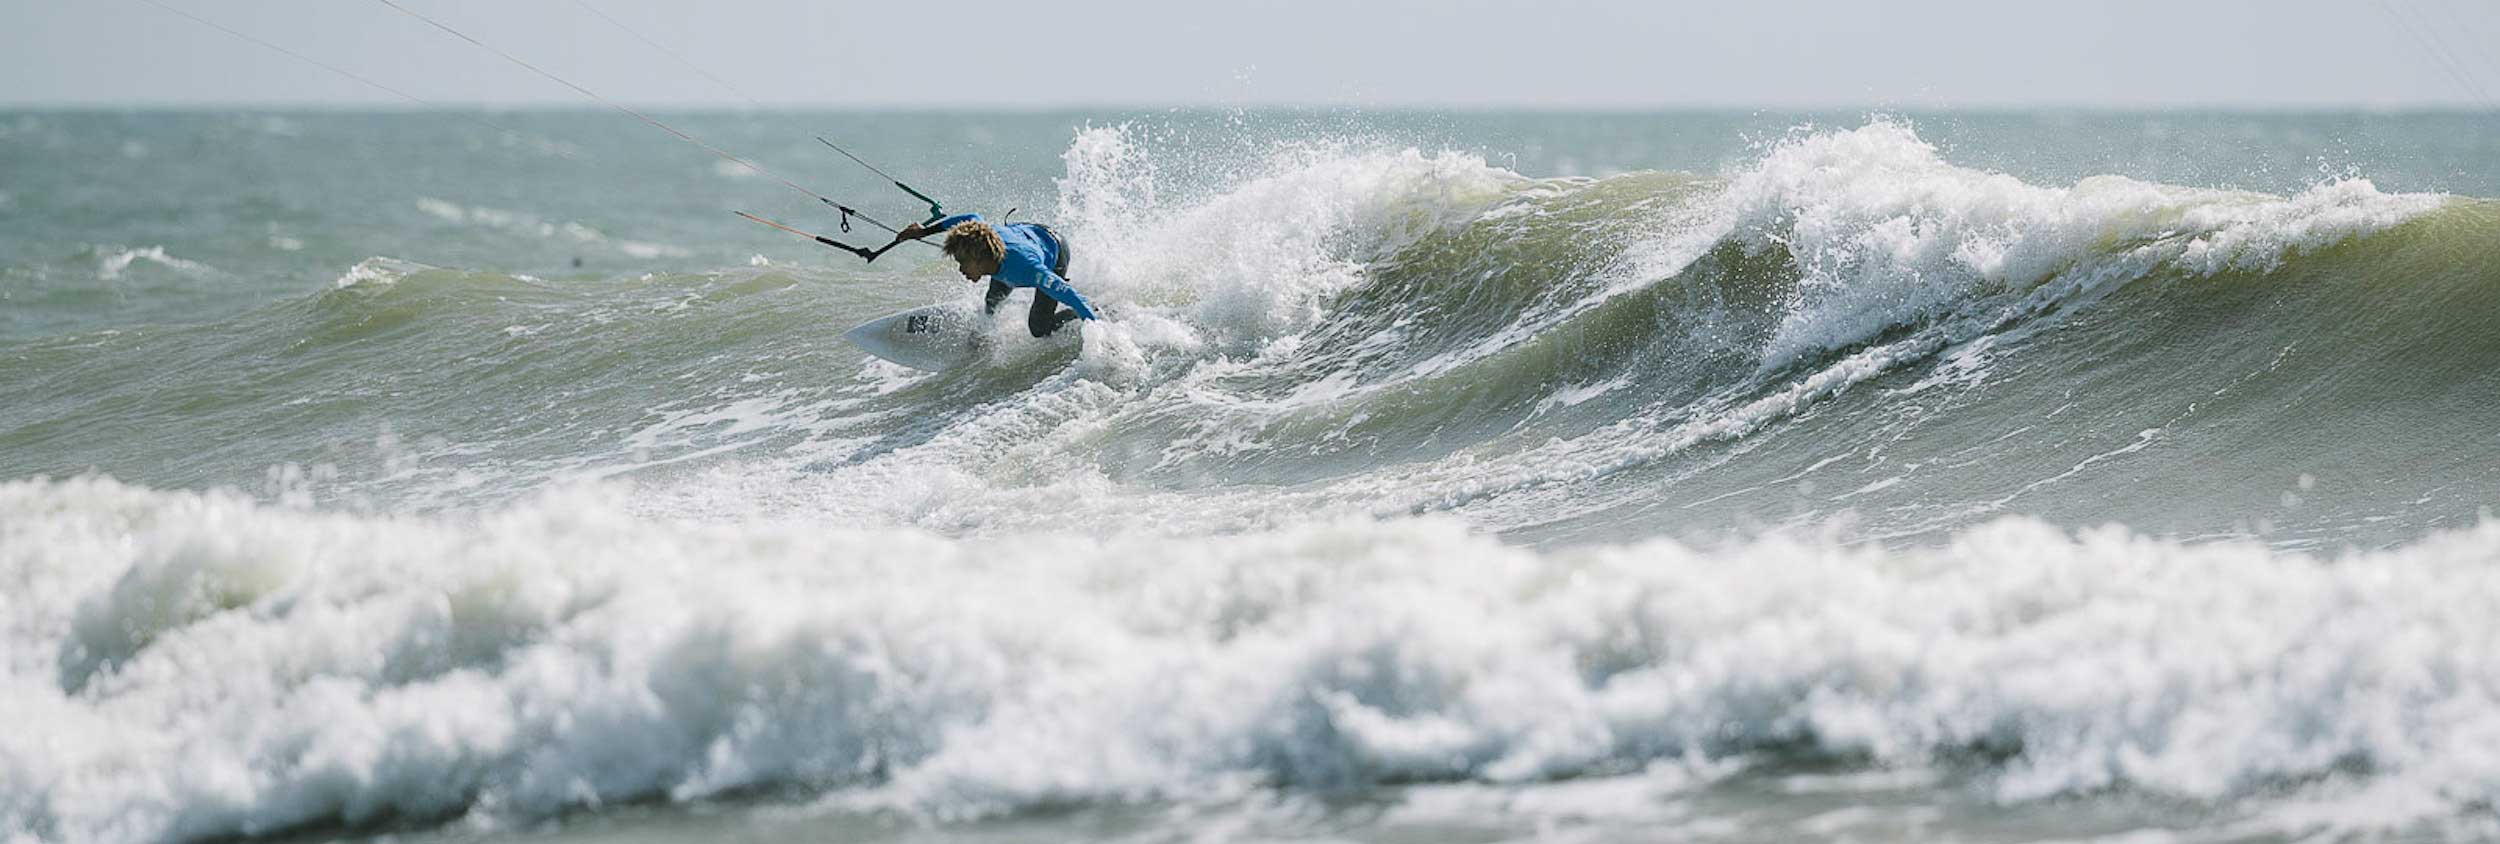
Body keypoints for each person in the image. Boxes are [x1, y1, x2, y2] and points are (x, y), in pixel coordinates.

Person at [891, 213, 1097, 338]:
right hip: (1026, 233)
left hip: (1055, 248)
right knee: (992, 302)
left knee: (1039, 329)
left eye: (963, 263)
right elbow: (971, 217)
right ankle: (982, 336)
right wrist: (924, 231)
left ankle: (1084, 311)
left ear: (980, 258)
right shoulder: (986, 248)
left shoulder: (1029, 270)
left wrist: (1096, 326)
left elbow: (1068, 293)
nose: (961, 269)